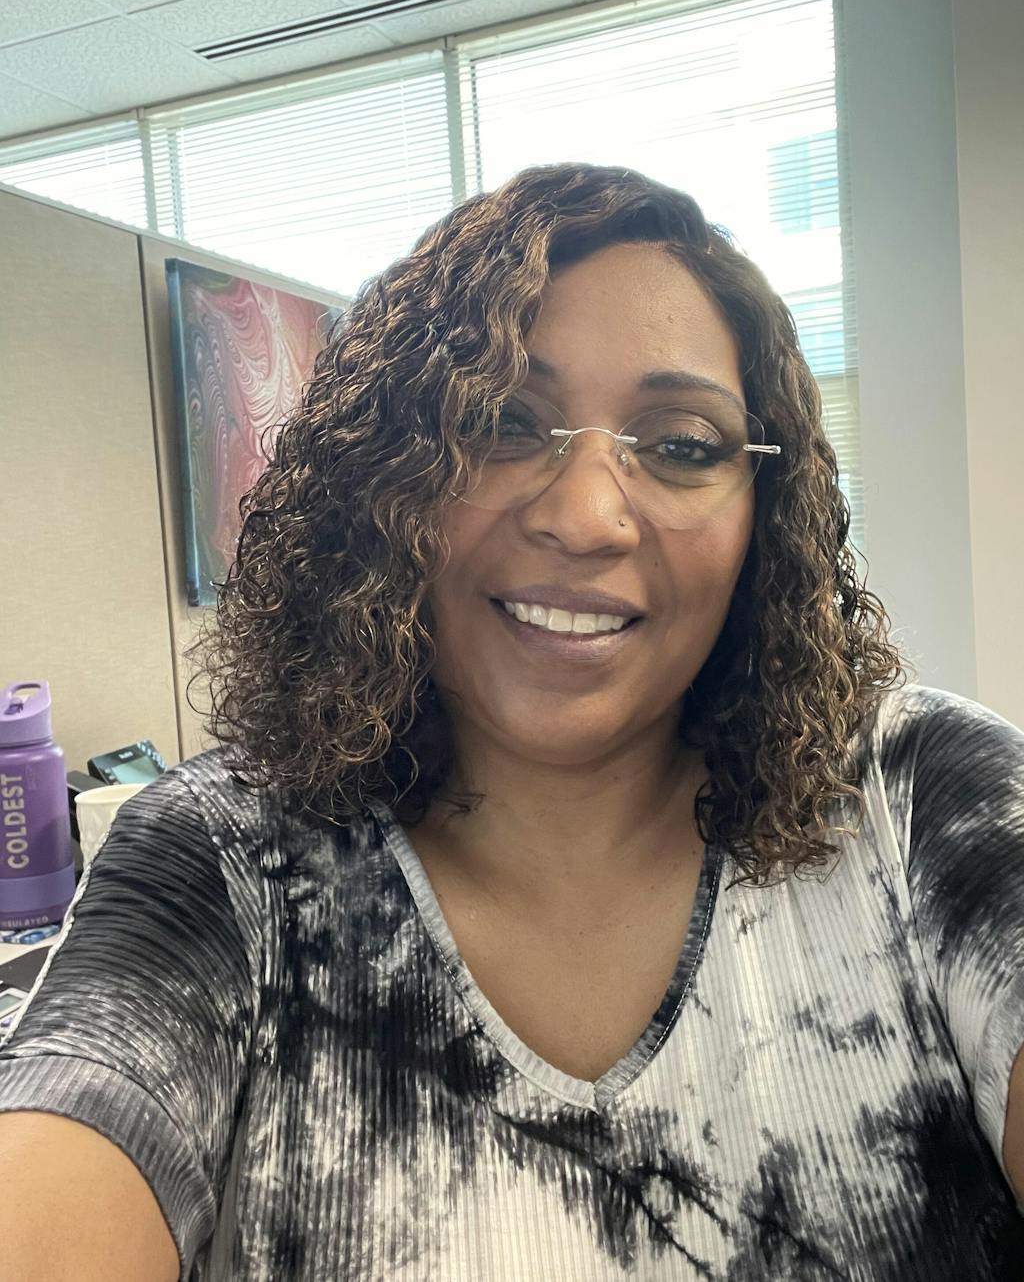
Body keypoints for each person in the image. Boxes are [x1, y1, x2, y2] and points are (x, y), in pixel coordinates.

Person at [0, 162, 1021, 1282]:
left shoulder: (919, 800)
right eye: (501, 423)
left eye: (682, 444)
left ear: (763, 512)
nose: (585, 518)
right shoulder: (224, 860)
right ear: (385, 477)